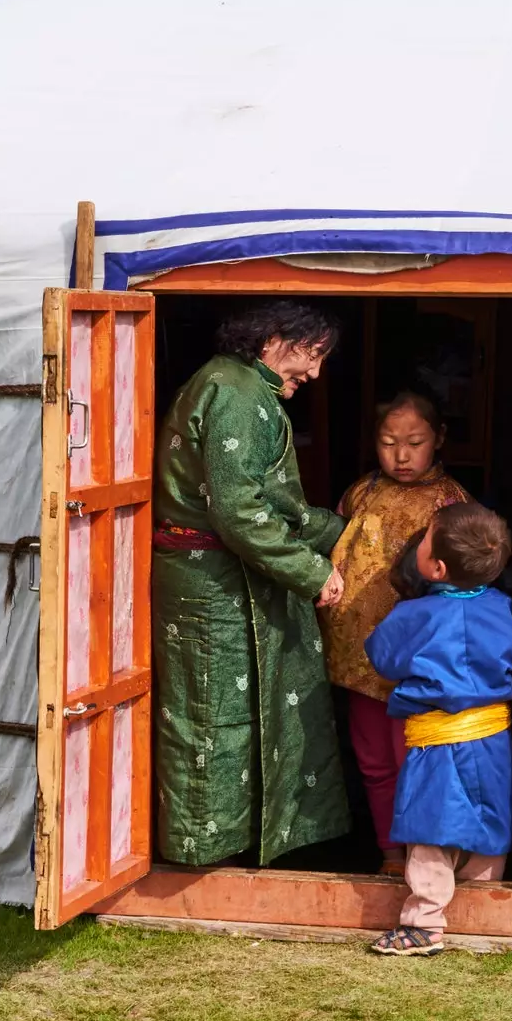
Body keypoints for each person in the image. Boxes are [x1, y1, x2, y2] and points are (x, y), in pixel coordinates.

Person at [152, 301, 351, 866]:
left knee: (230, 712)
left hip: (218, 578)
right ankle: (203, 861)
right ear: (273, 338)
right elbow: (240, 512)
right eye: (312, 354)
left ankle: (231, 850)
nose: (314, 372)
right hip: (209, 585)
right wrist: (314, 571)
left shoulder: (239, 385)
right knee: (213, 715)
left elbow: (273, 504)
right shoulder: (236, 394)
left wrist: (343, 531)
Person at [319, 393, 470, 876]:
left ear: (439, 439)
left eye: (414, 442)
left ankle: (420, 857)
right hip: (359, 656)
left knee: (414, 761)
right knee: (373, 761)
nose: (401, 456)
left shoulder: (452, 503)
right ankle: (388, 853)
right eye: (388, 443)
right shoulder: (360, 492)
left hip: (417, 662)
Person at [364, 502, 512, 956]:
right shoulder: (506, 609)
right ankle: (485, 906)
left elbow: (382, 657)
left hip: (438, 741)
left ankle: (425, 922)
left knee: (429, 826)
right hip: (493, 738)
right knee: (490, 817)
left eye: (426, 536)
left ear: (436, 567)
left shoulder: (415, 616)